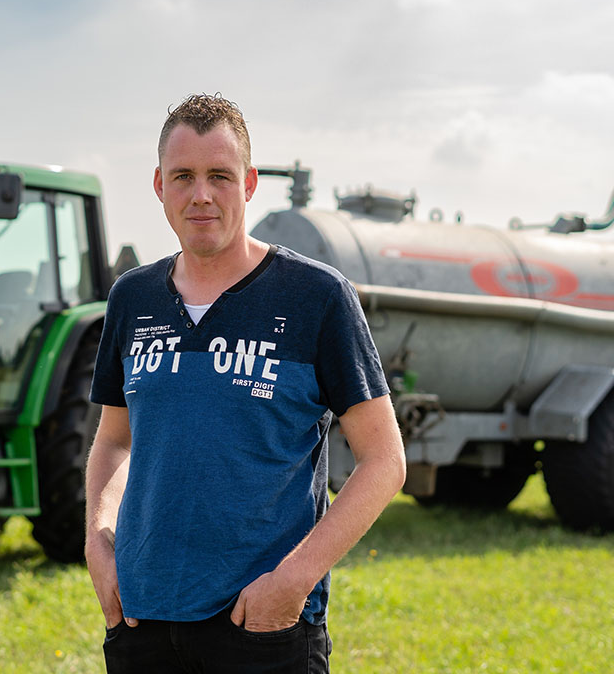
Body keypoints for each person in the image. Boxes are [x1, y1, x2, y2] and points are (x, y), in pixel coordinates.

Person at [85, 93, 407, 673]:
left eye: (220, 176)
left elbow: (385, 461)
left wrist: (293, 582)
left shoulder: (316, 297)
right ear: (159, 185)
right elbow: (113, 440)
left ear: (250, 183)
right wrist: (98, 540)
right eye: (183, 176)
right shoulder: (131, 298)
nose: (201, 194)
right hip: (141, 621)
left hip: (262, 626)